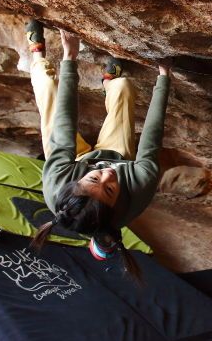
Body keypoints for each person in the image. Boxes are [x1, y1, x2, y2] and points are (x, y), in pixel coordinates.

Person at [24, 20, 171, 277]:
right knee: (124, 88)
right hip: (117, 158)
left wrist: (70, 57)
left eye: (95, 179)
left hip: (74, 161)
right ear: (117, 204)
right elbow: (151, 138)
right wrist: (164, 78)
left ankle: (36, 52)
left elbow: (64, 122)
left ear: (74, 183)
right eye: (110, 189)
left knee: (49, 92)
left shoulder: (56, 183)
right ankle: (110, 82)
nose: (107, 176)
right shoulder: (138, 188)